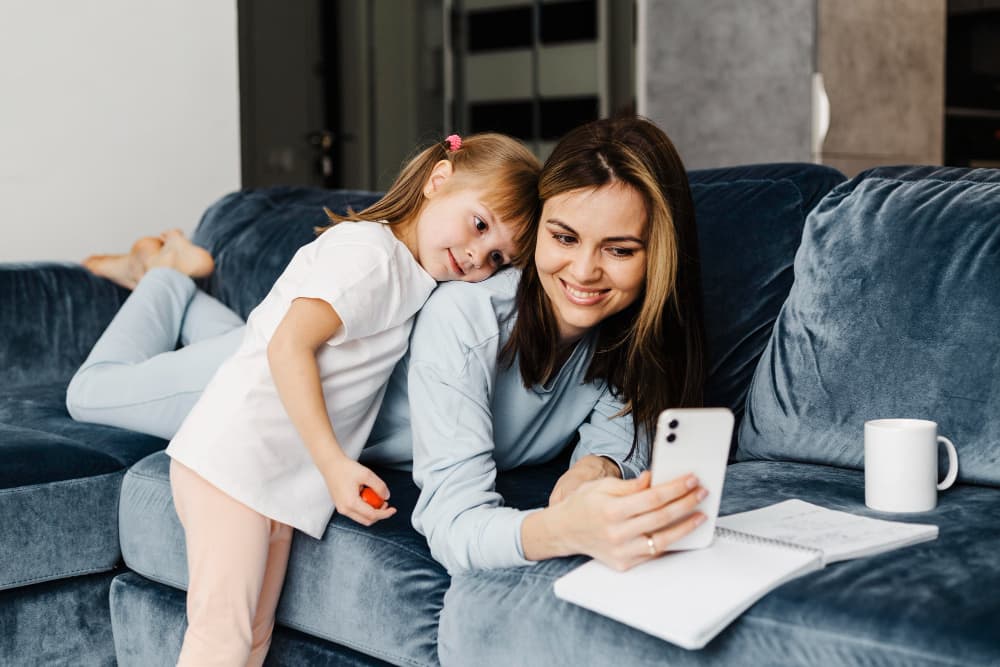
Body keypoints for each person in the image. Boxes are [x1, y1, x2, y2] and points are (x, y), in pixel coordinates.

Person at [69, 132, 541, 667]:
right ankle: (164, 276)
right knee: (219, 642)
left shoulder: (413, 275)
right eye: (479, 224)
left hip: (270, 482)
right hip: (232, 466)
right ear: (438, 181)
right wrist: (334, 464)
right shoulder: (372, 260)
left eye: (499, 257)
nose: (478, 255)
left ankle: (170, 274)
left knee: (250, 641)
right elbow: (288, 345)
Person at [391, 115, 709, 574]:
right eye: (564, 237)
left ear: (659, 257)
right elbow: (454, 525)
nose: (582, 272)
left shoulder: (625, 336)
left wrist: (594, 473)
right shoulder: (465, 315)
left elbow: (618, 445)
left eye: (619, 250)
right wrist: (561, 529)